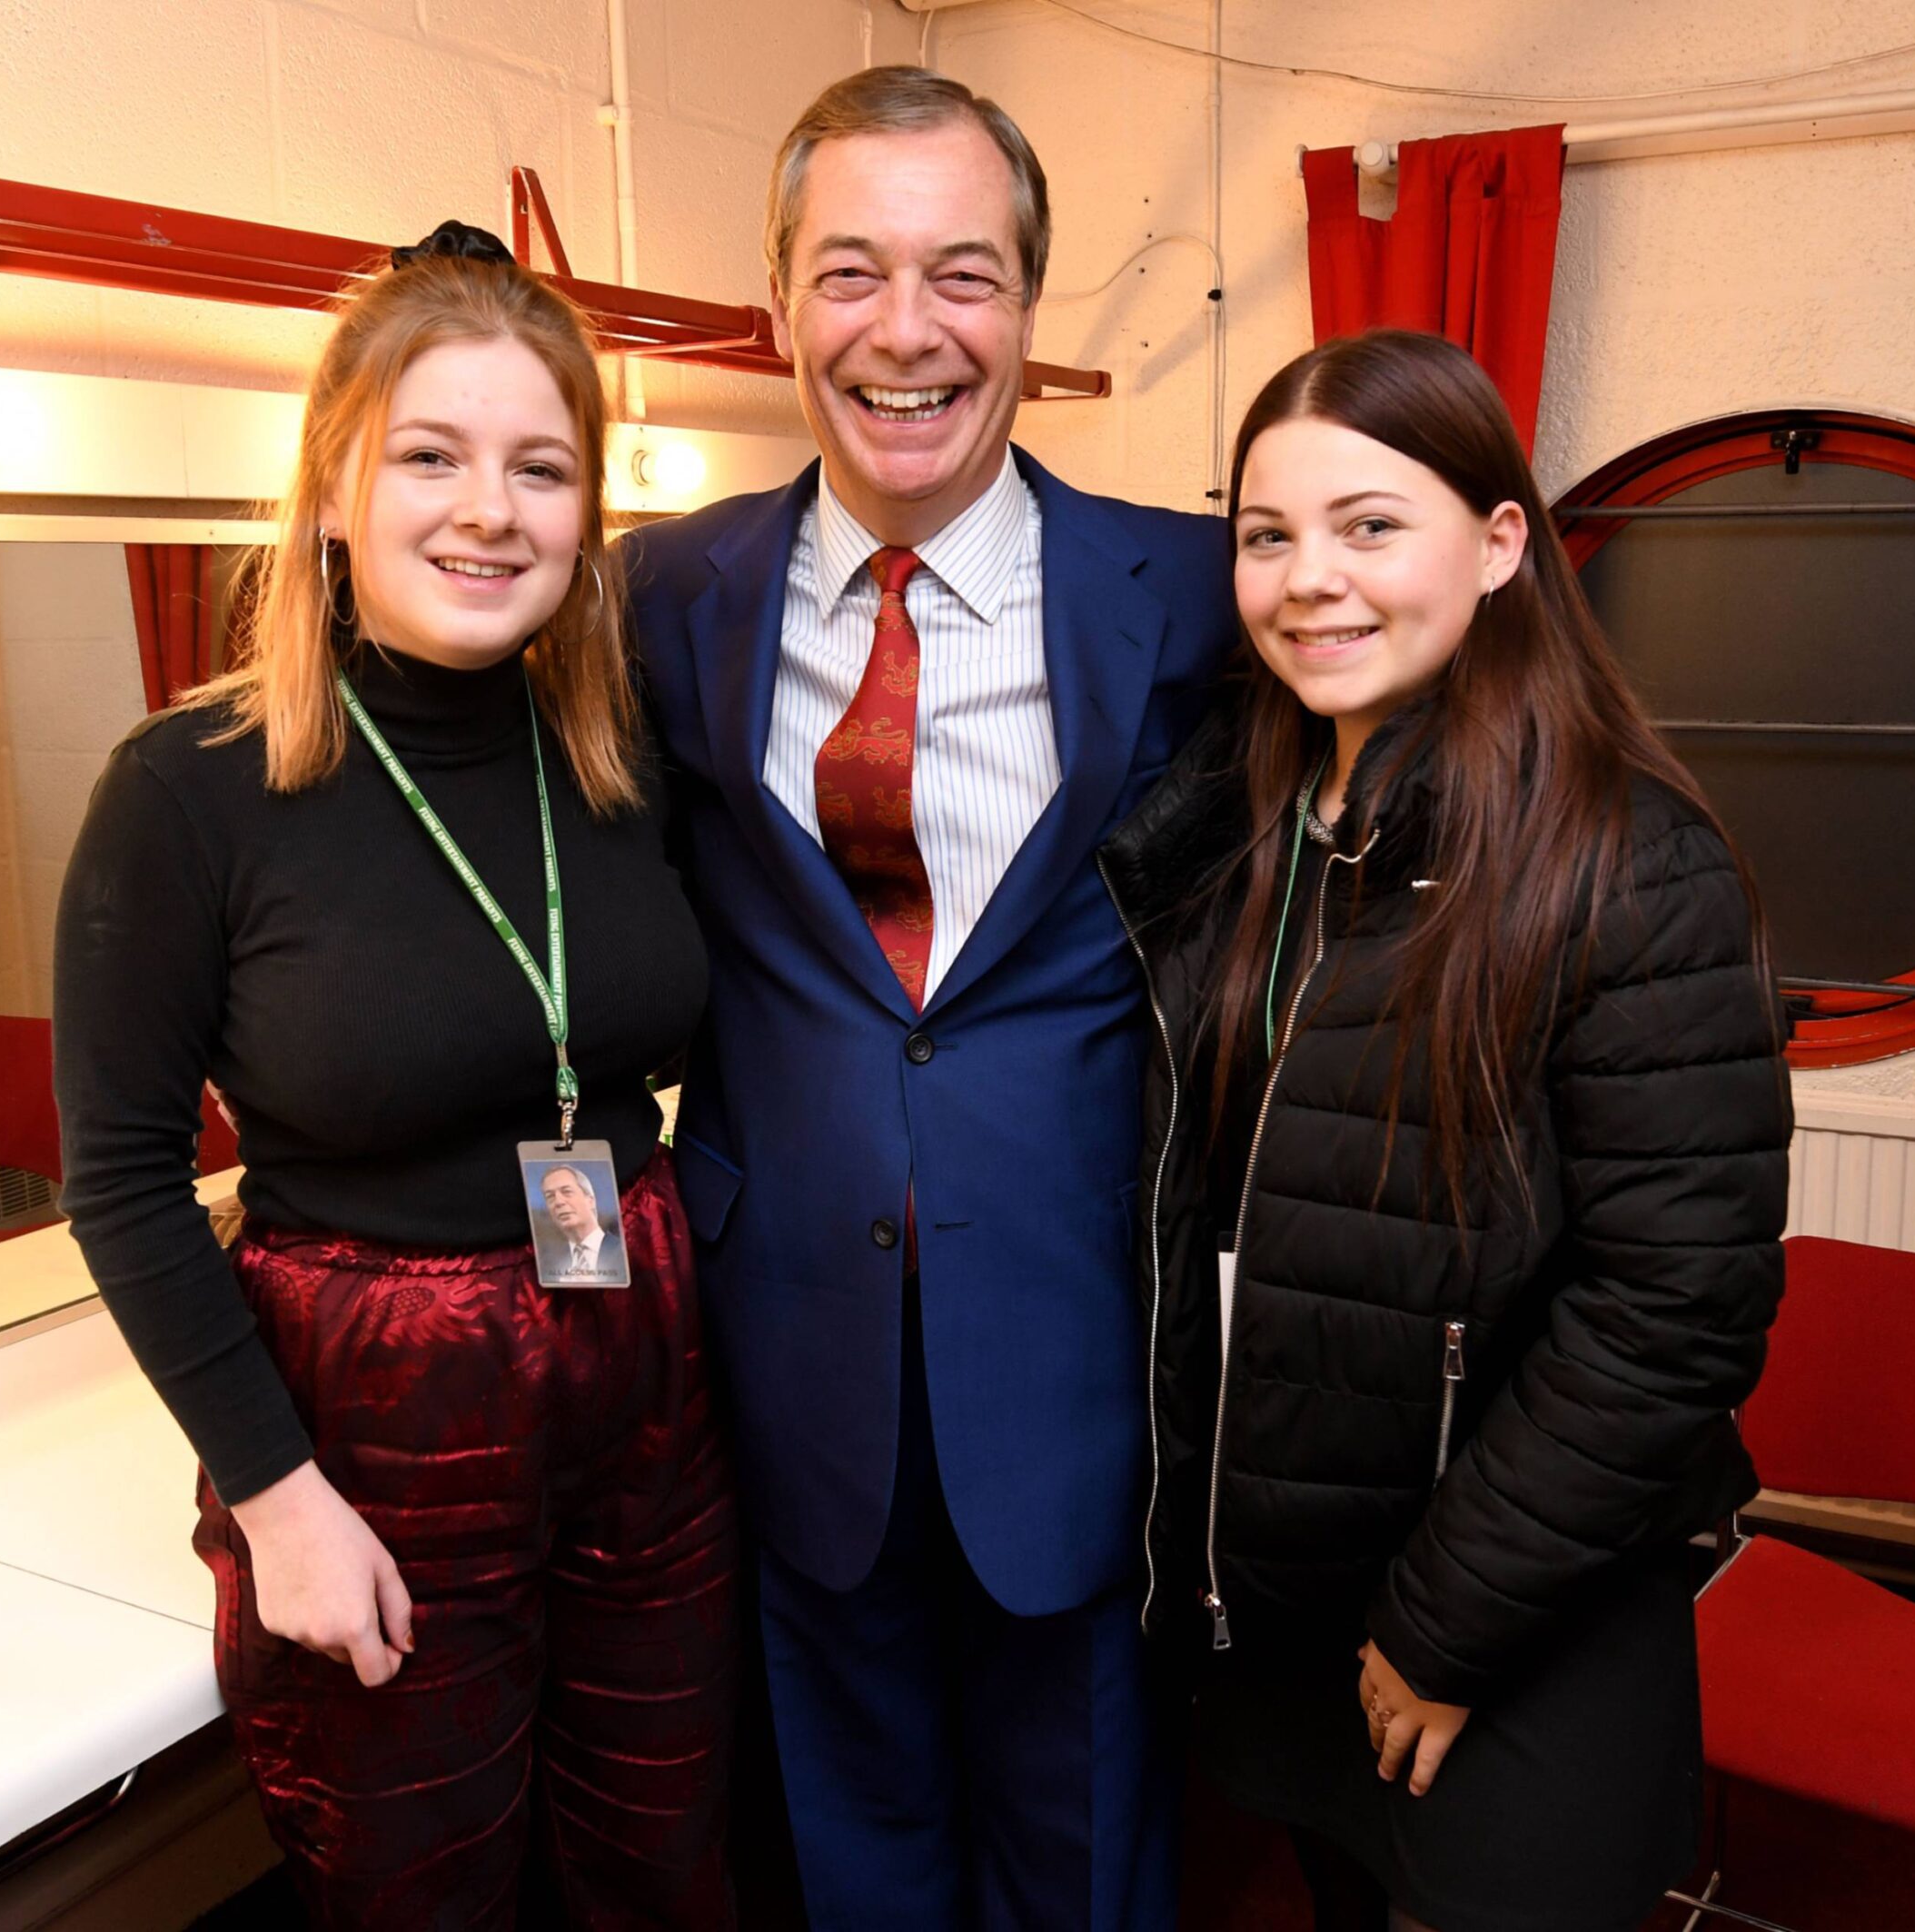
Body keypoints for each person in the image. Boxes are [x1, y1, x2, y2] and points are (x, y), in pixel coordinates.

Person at [55, 223, 733, 1929]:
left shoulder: (616, 752)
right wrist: (276, 1499)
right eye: (431, 455)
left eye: (540, 467)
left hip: (643, 1378)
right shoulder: (192, 784)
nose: (489, 510)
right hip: (372, 1417)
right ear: (334, 487)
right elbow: (120, 1178)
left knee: (664, 1865)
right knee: (424, 1896)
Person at [624, 65, 1238, 1932]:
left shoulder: (1193, 592)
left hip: (1075, 1347)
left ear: (1030, 305)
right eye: (852, 272)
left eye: (963, 273)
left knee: (1084, 1857)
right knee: (844, 1858)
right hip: (787, 1351)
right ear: (777, 304)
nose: (907, 331)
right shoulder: (660, 595)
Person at [1096, 329, 1791, 1932]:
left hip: (1513, 1616)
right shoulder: (1246, 840)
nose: (1310, 579)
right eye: (1267, 535)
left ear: (1496, 544)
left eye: (1370, 525)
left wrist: (1445, 1623)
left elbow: (1676, 1306)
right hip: (1293, 1606)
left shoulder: (1625, 858)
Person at [536, 1160, 627, 1283]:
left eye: (567, 1192)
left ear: (590, 1201)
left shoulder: (624, 1251)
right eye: (550, 1196)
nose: (558, 1202)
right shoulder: (547, 1266)